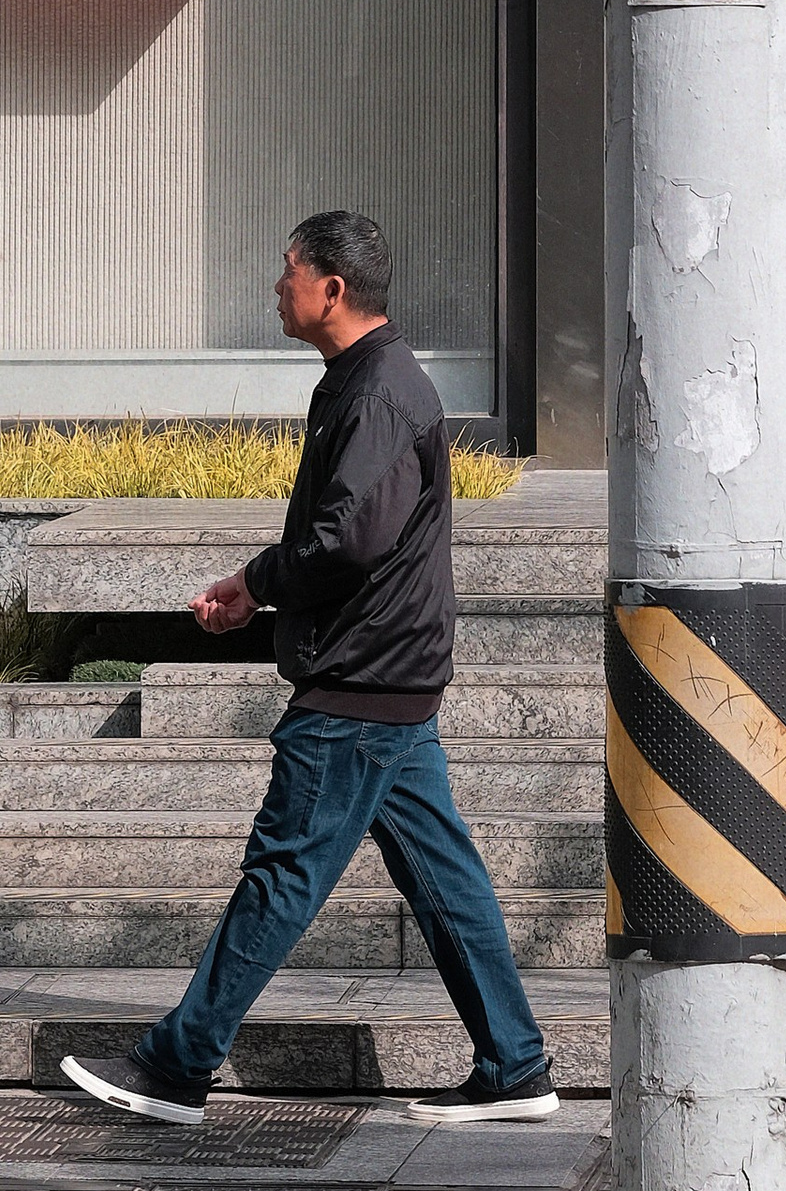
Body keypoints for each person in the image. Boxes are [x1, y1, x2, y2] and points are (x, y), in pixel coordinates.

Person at [59, 210, 554, 1132]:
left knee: (283, 873)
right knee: (446, 880)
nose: (275, 286)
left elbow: (346, 541)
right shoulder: (367, 382)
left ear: (331, 288)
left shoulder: (377, 395)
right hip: (387, 676)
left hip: (360, 683)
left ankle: (176, 1065)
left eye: (287, 270)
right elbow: (347, 538)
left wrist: (255, 582)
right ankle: (515, 1065)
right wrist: (259, 589)